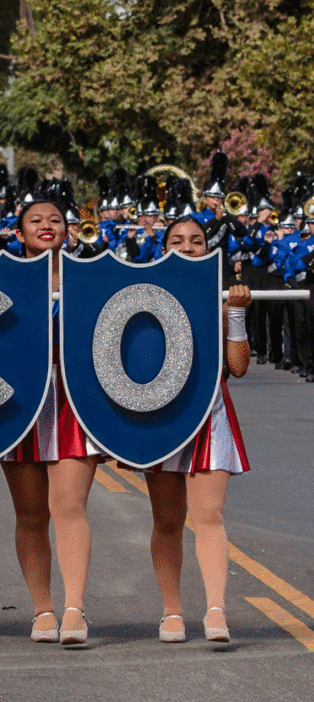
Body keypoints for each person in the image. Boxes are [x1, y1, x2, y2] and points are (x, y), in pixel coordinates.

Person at [0, 184, 101, 646]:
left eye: (55, 220)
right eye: (36, 220)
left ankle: (75, 607)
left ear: (70, 231)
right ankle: (42, 608)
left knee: (68, 506)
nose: (46, 225)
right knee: (30, 513)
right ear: (20, 233)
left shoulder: (93, 276)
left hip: (76, 400)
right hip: (19, 402)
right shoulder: (2, 279)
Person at [144, 216, 251, 644]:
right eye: (177, 240)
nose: (187, 247)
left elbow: (239, 367)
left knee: (209, 516)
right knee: (167, 520)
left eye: (196, 241)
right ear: (163, 249)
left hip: (209, 414)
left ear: (208, 250)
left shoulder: (220, 298)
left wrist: (236, 314)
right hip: (161, 416)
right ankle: (171, 612)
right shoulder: (142, 297)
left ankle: (215, 610)